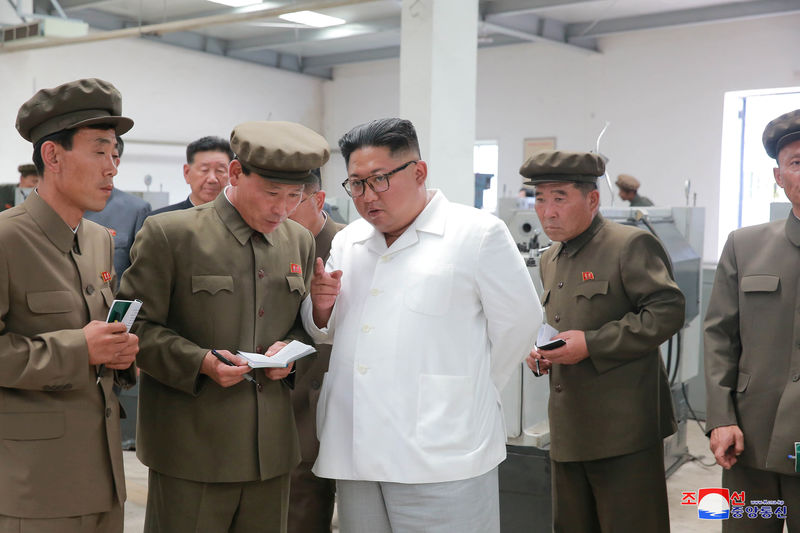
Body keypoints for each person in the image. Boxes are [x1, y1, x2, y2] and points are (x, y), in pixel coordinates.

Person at [302, 117, 540, 533]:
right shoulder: (349, 242)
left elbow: (519, 324)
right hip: (354, 444)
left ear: (419, 172)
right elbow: (329, 329)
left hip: (442, 450)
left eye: (378, 180)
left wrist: (467, 390)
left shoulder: (477, 234)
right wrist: (320, 308)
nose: (366, 196)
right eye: (355, 184)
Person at [118, 120, 328, 533]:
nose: (281, 209)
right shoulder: (169, 234)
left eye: (294, 197)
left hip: (270, 453)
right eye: (271, 194)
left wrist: (290, 353)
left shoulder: (297, 241)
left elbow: (299, 327)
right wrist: (200, 362)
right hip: (191, 451)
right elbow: (134, 328)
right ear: (235, 174)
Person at [0, 78, 138, 532]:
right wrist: (80, 349)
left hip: (104, 478)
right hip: (35, 488)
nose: (112, 168)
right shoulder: (6, 240)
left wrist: (120, 355)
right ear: (52, 156)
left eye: (116, 153)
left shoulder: (98, 240)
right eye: (99, 151)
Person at [521, 150, 684, 533]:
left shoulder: (628, 245)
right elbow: (562, 324)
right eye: (540, 199)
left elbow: (667, 312)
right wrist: (543, 353)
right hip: (569, 429)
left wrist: (592, 344)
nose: (547, 212)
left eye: (559, 198)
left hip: (623, 431)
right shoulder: (551, 258)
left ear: (592, 199)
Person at [704, 109, 800, 532]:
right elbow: (719, 336)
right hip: (749, 440)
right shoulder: (745, 246)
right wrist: (721, 417)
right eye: (797, 162)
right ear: (779, 178)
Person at [286, 170, 345, 533]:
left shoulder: (348, 245)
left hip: (333, 394)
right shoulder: (273, 241)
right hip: (285, 394)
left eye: (293, 199)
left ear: (318, 200)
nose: (280, 209)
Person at [85, 136, 152, 283]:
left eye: (113, 156)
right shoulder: (56, 208)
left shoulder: (135, 210)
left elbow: (142, 274)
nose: (107, 164)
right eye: (99, 154)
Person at [148, 135, 233, 215]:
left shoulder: (241, 220)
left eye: (220, 170)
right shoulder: (160, 222)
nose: (212, 179)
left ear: (232, 173)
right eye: (204, 170)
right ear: (187, 172)